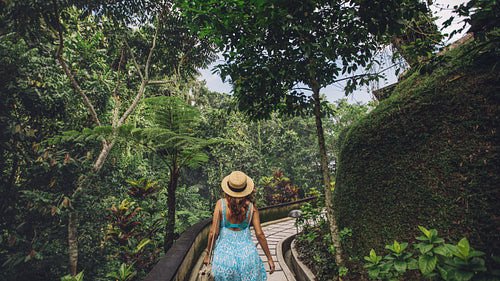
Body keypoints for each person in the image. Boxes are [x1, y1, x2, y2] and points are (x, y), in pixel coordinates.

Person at [203, 171, 275, 280]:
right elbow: (260, 234)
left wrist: (208, 254)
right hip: (248, 257)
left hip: (224, 258)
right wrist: (269, 258)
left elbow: (214, 233)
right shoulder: (251, 207)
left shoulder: (220, 204)